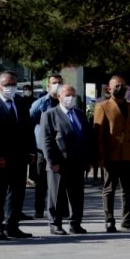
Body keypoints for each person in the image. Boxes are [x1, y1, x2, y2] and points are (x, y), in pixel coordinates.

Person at [0, 71, 35, 241]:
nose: (10, 88)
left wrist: (31, 151)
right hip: (0, 158)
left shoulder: (20, 102)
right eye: (7, 85)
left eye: (13, 84)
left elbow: (28, 129)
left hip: (19, 157)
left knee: (17, 193)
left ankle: (13, 225)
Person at [93, 75, 130, 232]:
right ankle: (109, 220)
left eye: (122, 85)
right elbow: (98, 134)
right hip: (111, 155)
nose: (120, 88)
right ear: (109, 89)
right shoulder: (102, 106)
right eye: (116, 86)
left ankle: (126, 219)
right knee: (109, 189)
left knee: (128, 189)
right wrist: (100, 157)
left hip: (129, 155)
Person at [41, 84, 92, 235]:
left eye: (73, 95)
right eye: (67, 95)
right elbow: (47, 140)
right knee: (56, 195)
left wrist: (87, 160)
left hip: (77, 162)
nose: (71, 98)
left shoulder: (80, 114)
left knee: (77, 195)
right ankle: (55, 224)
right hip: (59, 162)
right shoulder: (49, 115)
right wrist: (52, 162)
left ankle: (75, 223)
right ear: (59, 97)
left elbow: (86, 138)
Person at [28, 73, 63, 222]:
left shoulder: (65, 101)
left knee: (61, 181)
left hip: (62, 148)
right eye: (54, 82)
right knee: (41, 181)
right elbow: (29, 124)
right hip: (43, 148)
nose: (57, 85)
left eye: (60, 82)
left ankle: (60, 209)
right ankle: (38, 209)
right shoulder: (40, 104)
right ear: (48, 86)